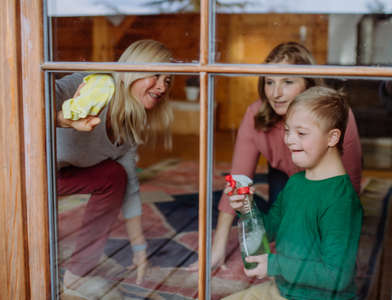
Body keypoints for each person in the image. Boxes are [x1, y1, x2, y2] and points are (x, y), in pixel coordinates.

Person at [188, 42, 362, 270]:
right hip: (285, 173)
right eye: (269, 82)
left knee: (319, 236)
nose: (275, 93)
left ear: (308, 84)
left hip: (327, 178)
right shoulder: (255, 114)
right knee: (283, 228)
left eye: (287, 82)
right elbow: (239, 177)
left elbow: (349, 188)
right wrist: (217, 248)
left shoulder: (339, 117)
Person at [55, 40, 173, 293]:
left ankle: (77, 274)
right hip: (18, 173)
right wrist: (62, 119)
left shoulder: (129, 126)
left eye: (168, 80)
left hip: (55, 177)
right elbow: (29, 98)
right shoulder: (95, 85)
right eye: (156, 75)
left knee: (116, 177)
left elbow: (129, 186)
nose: (162, 86)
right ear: (134, 70)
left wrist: (139, 248)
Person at [224, 86, 363, 300]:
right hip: (283, 291)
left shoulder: (341, 200)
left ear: (332, 138)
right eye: (287, 130)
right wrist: (247, 209)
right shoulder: (296, 183)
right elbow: (268, 231)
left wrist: (274, 264)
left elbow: (337, 277)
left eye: (301, 133)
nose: (289, 139)